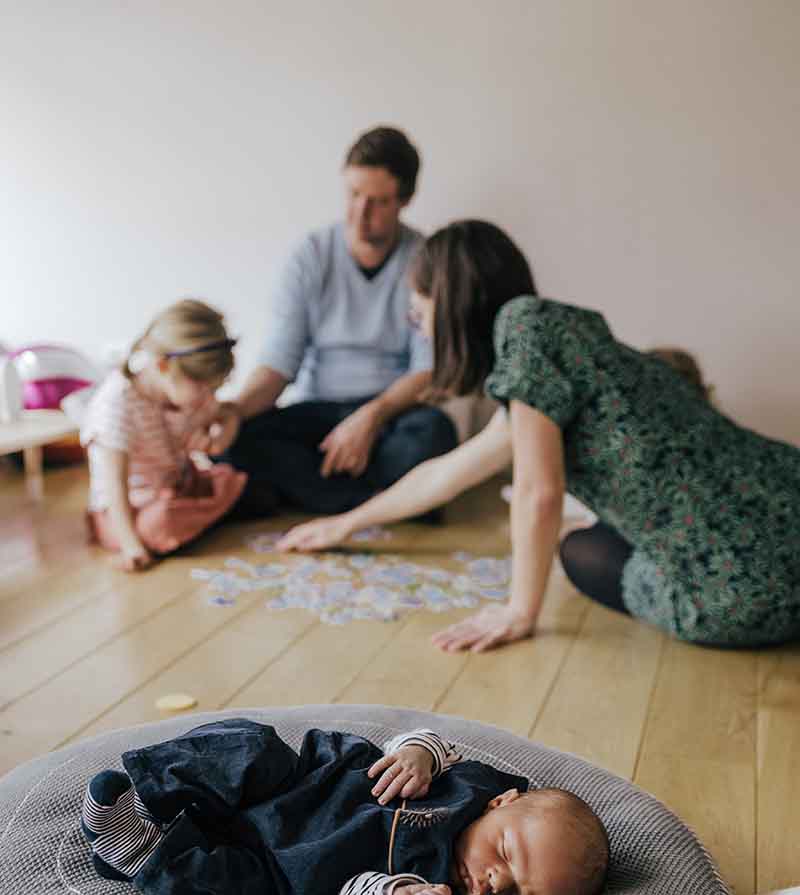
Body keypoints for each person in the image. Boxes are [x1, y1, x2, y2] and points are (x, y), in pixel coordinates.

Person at [277, 220, 800, 650]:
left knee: (579, 551)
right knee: (599, 536)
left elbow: (538, 491)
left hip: (743, 589)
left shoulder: (523, 328)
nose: (421, 327)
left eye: (420, 311)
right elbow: (448, 472)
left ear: (451, 300)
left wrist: (518, 611)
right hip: (787, 503)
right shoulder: (557, 343)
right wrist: (345, 524)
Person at [80, 720, 609, 895]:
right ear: (503, 805)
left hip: (280, 863)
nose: (497, 883)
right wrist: (419, 755)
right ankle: (154, 790)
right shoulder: (476, 785)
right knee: (251, 746)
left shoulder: (437, 892)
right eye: (508, 856)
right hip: (301, 784)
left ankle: (134, 847)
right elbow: (427, 739)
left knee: (227, 880)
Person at [199, 126, 458, 514]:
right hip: (317, 412)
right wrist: (233, 411)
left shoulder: (425, 261)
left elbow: (430, 370)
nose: (360, 213)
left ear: (404, 200)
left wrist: (370, 417)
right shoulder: (310, 256)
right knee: (235, 440)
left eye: (378, 201)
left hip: (389, 413)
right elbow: (278, 362)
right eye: (353, 195)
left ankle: (311, 495)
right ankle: (381, 502)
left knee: (435, 434)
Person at [81, 300, 264, 571]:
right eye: (204, 388)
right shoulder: (116, 405)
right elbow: (113, 487)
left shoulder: (188, 395)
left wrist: (220, 435)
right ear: (164, 366)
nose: (209, 398)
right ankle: (190, 523)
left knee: (229, 477)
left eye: (214, 389)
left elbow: (226, 413)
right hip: (126, 514)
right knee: (162, 522)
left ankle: (197, 517)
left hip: (177, 488)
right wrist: (130, 544)